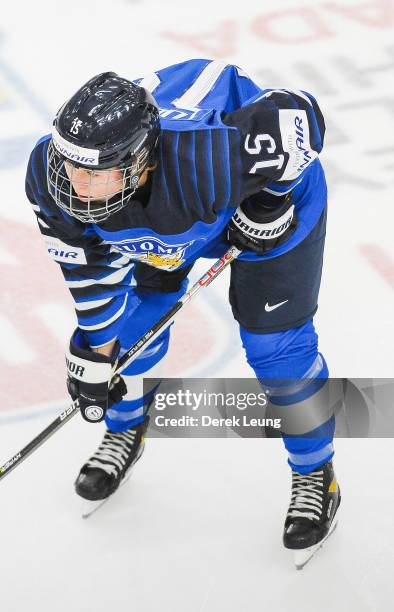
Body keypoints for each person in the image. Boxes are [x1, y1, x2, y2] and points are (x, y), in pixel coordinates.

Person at [25, 59, 340, 566]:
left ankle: (314, 471)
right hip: (164, 220)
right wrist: (97, 348)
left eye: (94, 173)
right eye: (71, 167)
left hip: (246, 204)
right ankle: (126, 427)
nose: (75, 188)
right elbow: (89, 270)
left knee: (276, 350)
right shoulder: (50, 176)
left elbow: (300, 116)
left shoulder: (206, 156)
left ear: (139, 161)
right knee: (127, 338)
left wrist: (267, 204)